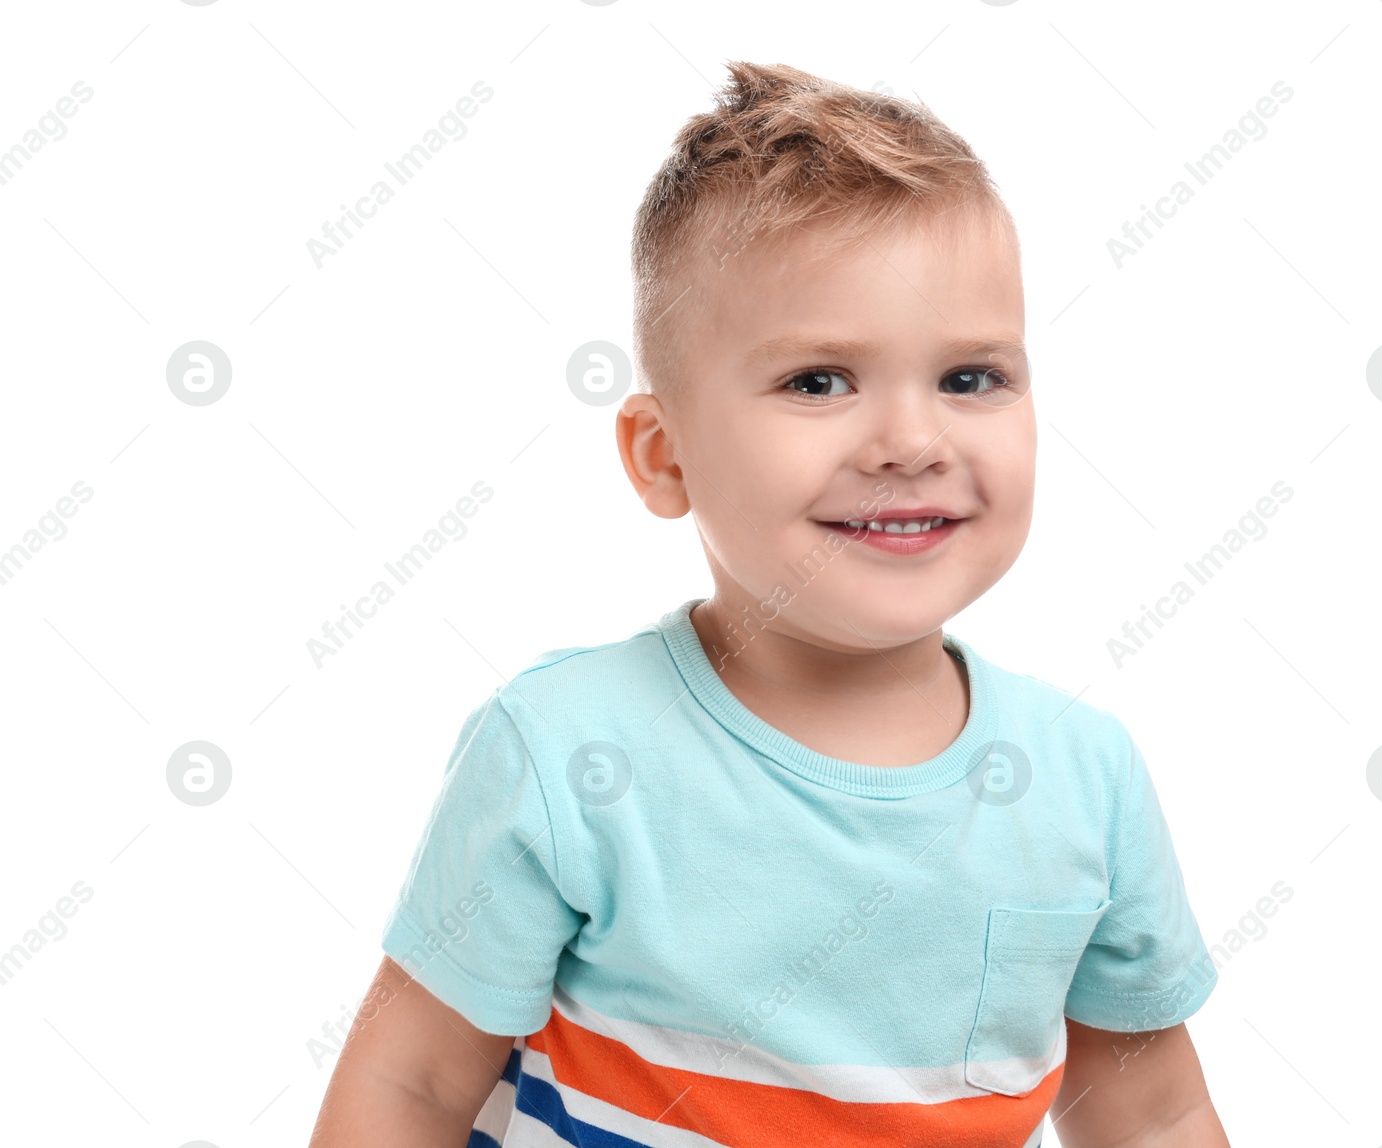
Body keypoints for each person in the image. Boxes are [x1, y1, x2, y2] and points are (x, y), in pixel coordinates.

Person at [310, 60, 1227, 1148]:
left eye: (971, 377)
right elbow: (408, 1087)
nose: (913, 442)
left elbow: (1151, 1112)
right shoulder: (566, 754)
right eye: (818, 381)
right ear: (664, 456)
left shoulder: (1084, 780)